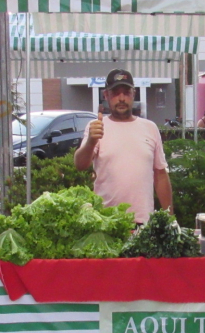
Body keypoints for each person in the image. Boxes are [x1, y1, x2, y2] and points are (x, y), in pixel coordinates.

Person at [74, 68, 174, 224]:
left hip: (143, 221)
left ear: (133, 94)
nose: (121, 98)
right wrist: (91, 142)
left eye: (126, 92)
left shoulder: (150, 128)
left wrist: (170, 219)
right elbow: (80, 164)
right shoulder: (96, 127)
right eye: (115, 93)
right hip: (106, 221)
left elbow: (160, 174)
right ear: (106, 95)